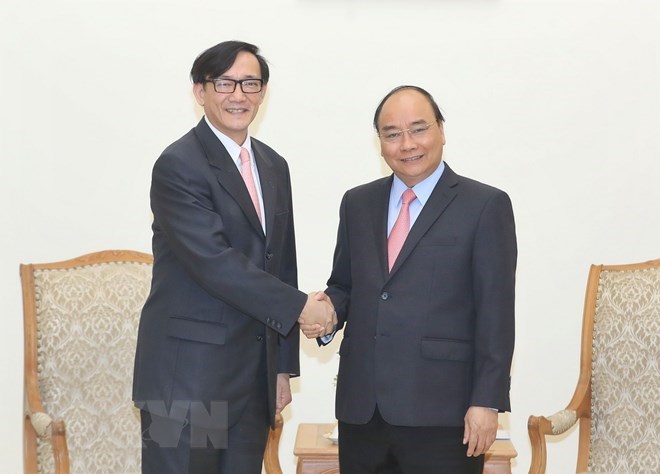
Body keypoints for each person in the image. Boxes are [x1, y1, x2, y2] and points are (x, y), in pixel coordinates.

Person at [132, 40, 335, 474]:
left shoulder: (273, 166)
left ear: (263, 92)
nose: (238, 95)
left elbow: (280, 263)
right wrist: (303, 307)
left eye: (250, 83)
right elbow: (215, 262)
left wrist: (282, 369)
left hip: (252, 384)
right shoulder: (179, 165)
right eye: (224, 82)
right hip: (188, 384)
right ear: (199, 90)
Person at [302, 85, 517, 473]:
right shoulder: (357, 202)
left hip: (444, 413)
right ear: (380, 142)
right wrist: (328, 312)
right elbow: (346, 286)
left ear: (441, 131)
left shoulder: (485, 205)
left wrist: (487, 401)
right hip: (363, 410)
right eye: (392, 134)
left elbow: (496, 313)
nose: (407, 144)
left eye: (418, 129)